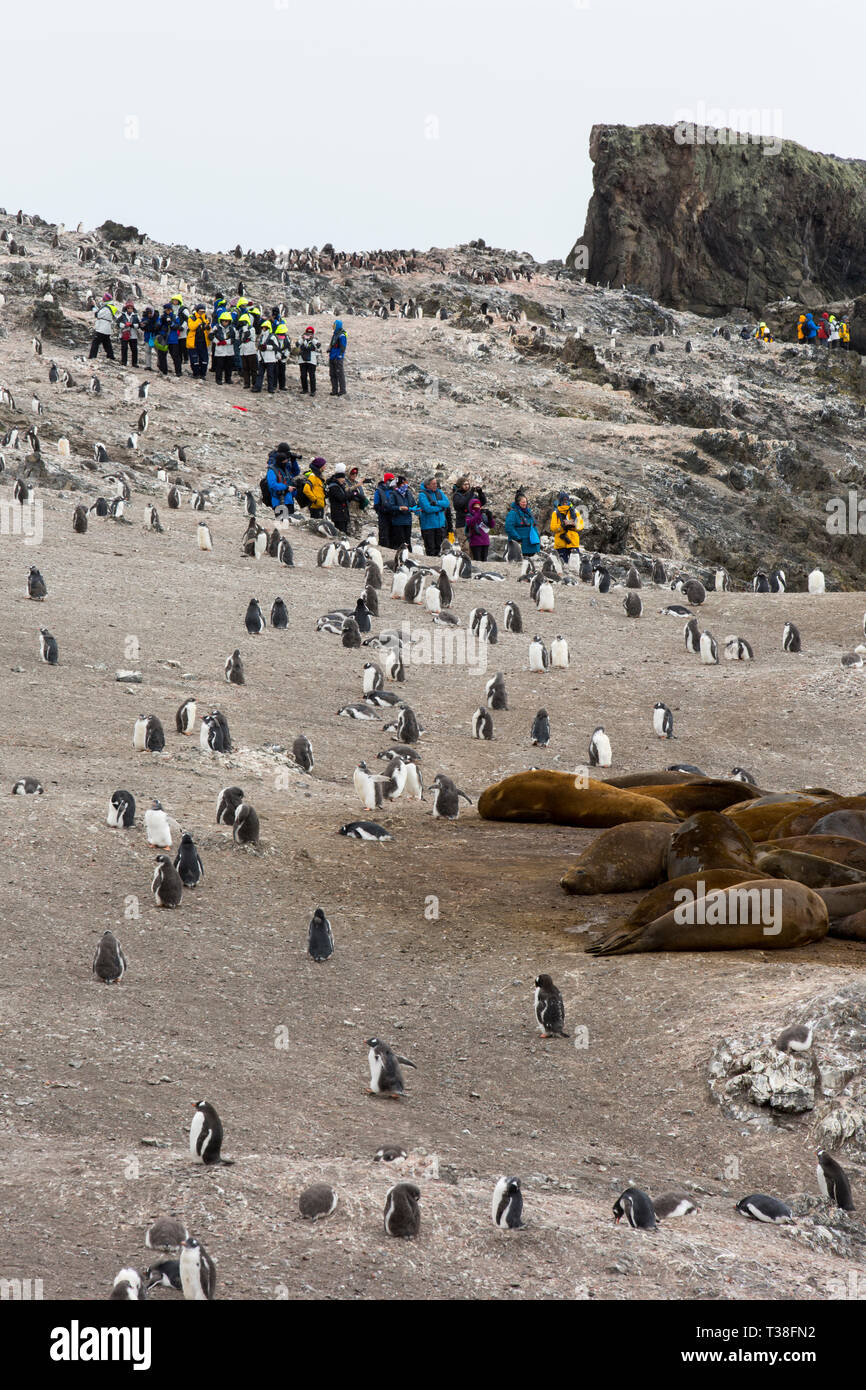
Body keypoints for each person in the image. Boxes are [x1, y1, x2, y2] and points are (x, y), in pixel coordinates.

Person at [417, 473, 450, 556]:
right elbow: (427, 509)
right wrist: (440, 508)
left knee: (439, 549)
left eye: (436, 483)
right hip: (428, 526)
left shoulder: (439, 492)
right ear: (427, 485)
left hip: (440, 525)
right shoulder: (422, 495)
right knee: (430, 549)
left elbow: (447, 503)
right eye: (434, 483)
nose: (436, 485)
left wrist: (436, 503)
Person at [549, 492, 584, 562]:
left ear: (568, 500)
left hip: (572, 542)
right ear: (560, 501)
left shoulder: (575, 512)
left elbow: (581, 525)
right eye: (563, 500)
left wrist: (574, 525)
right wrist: (562, 526)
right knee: (563, 565)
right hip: (561, 543)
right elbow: (552, 527)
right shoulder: (556, 513)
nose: (565, 502)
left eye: (566, 500)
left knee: (573, 566)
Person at [505, 490, 541, 557]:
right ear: (518, 503)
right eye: (523, 502)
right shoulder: (513, 513)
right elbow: (509, 527)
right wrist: (517, 538)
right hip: (520, 544)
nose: (525, 503)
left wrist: (537, 537)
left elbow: (533, 525)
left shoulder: (528, 512)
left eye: (526, 502)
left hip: (531, 543)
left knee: (529, 563)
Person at [384, 474, 416, 550]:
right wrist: (399, 508)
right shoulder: (394, 494)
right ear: (398, 485)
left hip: (408, 521)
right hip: (398, 521)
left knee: (408, 541)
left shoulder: (408, 493)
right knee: (400, 542)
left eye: (405, 483)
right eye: (403, 484)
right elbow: (390, 507)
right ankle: (401, 557)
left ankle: (408, 555)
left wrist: (415, 509)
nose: (405, 485)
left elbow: (413, 504)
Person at [186, 304, 211, 381]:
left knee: (204, 358)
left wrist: (207, 327)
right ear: (197, 311)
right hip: (194, 341)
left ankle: (203, 374)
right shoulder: (192, 317)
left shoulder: (205, 318)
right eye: (200, 311)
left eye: (203, 311)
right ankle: (196, 373)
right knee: (194, 358)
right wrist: (199, 321)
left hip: (203, 342)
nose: (202, 313)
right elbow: (191, 327)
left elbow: (208, 329)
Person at [326, 463, 353, 533]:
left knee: (343, 531)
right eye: (342, 478)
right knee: (340, 532)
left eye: (344, 478)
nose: (344, 480)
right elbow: (341, 498)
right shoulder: (334, 487)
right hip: (338, 515)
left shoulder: (340, 486)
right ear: (338, 478)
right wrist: (350, 494)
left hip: (343, 514)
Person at [253, 319, 279, 394]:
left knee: (270, 374)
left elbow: (276, 347)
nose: (263, 329)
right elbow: (259, 347)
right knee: (260, 374)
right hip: (262, 358)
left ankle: (271, 388)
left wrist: (267, 347)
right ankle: (257, 387)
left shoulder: (272, 337)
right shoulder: (261, 337)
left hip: (270, 359)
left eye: (264, 327)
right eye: (262, 327)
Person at [164, 296, 187, 376]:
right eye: (166, 310)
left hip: (174, 338)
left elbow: (178, 324)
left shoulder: (176, 316)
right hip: (166, 338)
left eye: (169, 310)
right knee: (166, 354)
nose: (168, 311)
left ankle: (178, 371)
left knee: (175, 355)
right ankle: (164, 370)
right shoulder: (163, 317)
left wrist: (172, 324)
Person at [89, 293, 118, 359]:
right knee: (107, 343)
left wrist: (93, 307)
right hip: (107, 328)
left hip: (102, 328)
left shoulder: (106, 308)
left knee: (96, 342)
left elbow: (98, 314)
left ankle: (92, 356)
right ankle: (111, 356)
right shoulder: (110, 307)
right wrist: (94, 306)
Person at [465, 496, 493, 561]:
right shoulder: (469, 516)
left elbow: (491, 525)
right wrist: (478, 514)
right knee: (477, 561)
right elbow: (470, 523)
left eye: (479, 505)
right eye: (475, 505)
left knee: (484, 560)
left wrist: (490, 517)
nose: (477, 507)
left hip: (485, 541)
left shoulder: (483, 516)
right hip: (475, 542)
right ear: (471, 506)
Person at [212, 312, 236, 384]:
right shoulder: (216, 327)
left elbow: (235, 339)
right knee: (219, 366)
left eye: (227, 321)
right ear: (221, 320)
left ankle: (228, 379)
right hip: (220, 350)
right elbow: (211, 336)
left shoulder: (232, 329)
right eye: (224, 321)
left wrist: (226, 342)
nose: (225, 322)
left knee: (229, 366)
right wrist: (217, 342)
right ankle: (218, 379)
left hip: (229, 350)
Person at [373, 471, 396, 548]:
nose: (391, 482)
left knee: (393, 534)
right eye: (390, 480)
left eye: (392, 480)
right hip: (383, 516)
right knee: (384, 534)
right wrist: (383, 510)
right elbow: (376, 505)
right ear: (385, 480)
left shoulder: (394, 490)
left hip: (393, 516)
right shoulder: (379, 490)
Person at [237, 311, 258, 389]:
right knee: (245, 368)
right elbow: (238, 338)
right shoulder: (241, 330)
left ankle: (254, 383)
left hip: (251, 350)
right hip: (243, 350)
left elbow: (247, 335)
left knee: (253, 368)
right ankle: (247, 383)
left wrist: (245, 327)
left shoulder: (252, 329)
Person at [298, 325, 320, 395]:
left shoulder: (315, 339)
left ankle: (313, 390)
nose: (309, 334)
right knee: (303, 375)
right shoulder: (302, 338)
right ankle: (305, 389)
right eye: (307, 333)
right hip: (302, 359)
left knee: (312, 375)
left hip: (312, 360)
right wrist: (302, 339)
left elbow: (318, 346)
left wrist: (312, 339)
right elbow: (297, 345)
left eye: (311, 333)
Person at [117, 301, 140, 367]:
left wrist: (132, 325)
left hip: (133, 335)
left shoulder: (136, 316)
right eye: (128, 308)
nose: (130, 309)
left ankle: (134, 363)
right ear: (126, 308)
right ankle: (124, 362)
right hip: (124, 334)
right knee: (124, 348)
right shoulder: (122, 315)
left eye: (131, 308)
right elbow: (117, 323)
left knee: (134, 349)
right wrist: (124, 325)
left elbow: (139, 325)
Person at [328, 318, 347, 395]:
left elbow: (343, 347)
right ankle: (334, 390)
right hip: (332, 356)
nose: (333, 326)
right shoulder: (335, 334)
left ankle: (342, 390)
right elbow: (332, 344)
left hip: (337, 357)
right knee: (332, 374)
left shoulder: (342, 335)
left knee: (340, 374)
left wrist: (340, 356)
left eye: (334, 325)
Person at [139, 306, 160, 370]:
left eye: (151, 313)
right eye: (149, 313)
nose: (150, 315)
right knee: (148, 351)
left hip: (155, 337)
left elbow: (158, 326)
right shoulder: (144, 319)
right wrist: (142, 326)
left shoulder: (157, 318)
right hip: (148, 337)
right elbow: (142, 327)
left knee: (159, 351)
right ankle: (148, 366)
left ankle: (160, 364)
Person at [274, 324, 290, 390]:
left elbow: (288, 348)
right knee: (275, 372)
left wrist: (284, 356)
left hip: (283, 358)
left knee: (282, 373)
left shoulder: (287, 339)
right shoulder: (274, 338)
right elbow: (274, 348)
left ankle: (282, 386)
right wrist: (277, 356)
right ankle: (274, 385)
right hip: (276, 357)